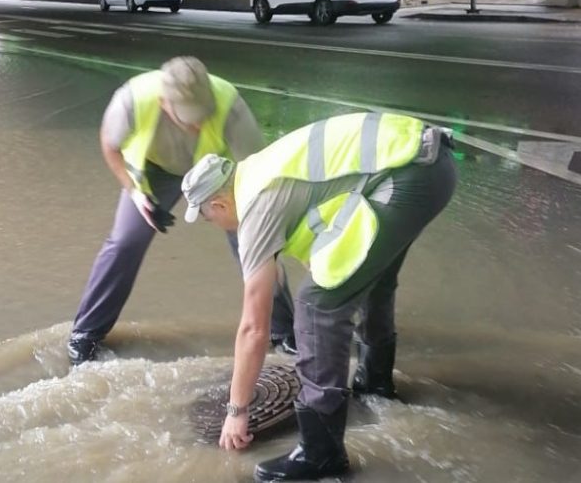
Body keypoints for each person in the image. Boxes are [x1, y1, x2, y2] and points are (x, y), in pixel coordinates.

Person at [181, 112, 456, 481]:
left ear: (218, 205)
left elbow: (253, 329)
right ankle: (376, 384)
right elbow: (326, 207)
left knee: (317, 305)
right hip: (430, 163)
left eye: (208, 219)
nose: (215, 225)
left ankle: (320, 452)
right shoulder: (259, 171)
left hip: (409, 175)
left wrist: (237, 411)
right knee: (368, 277)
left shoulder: (256, 205)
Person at [67, 57, 296, 365]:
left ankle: (284, 332)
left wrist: (254, 225)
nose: (198, 124)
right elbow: (110, 145)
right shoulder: (131, 101)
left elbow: (257, 170)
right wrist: (134, 192)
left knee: (255, 243)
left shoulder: (230, 106)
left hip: (215, 173)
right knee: (125, 242)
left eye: (203, 115)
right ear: (164, 103)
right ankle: (85, 335)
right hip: (156, 171)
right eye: (189, 118)